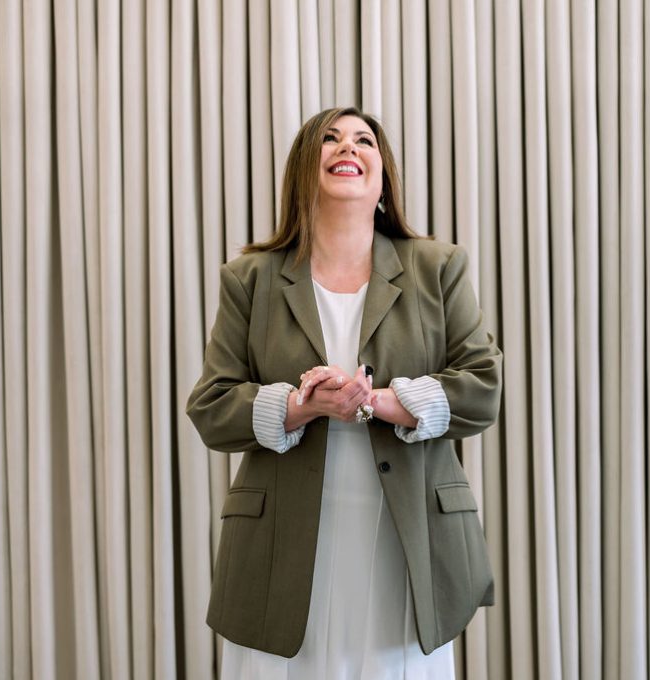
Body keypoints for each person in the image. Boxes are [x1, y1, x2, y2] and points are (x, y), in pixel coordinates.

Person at [186, 106, 502, 679]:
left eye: (364, 141)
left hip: (409, 538)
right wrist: (301, 406)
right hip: (281, 542)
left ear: (383, 177)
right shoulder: (250, 278)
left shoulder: (438, 267)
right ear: (304, 169)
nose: (347, 148)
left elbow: (483, 386)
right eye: (329, 139)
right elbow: (212, 405)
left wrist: (378, 400)